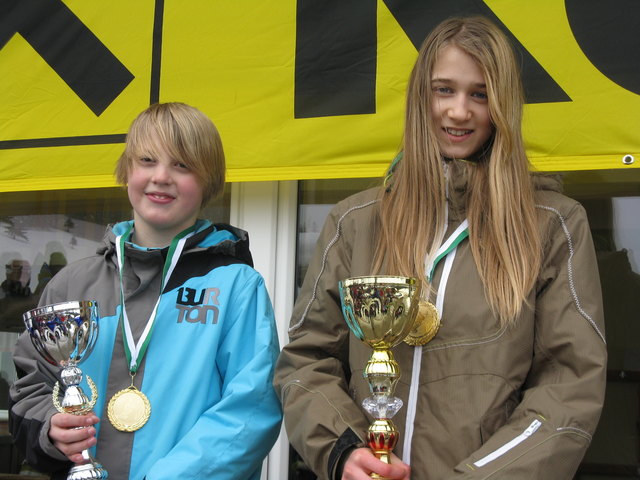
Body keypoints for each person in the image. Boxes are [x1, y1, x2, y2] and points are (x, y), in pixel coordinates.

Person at [274, 16, 606, 480]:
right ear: (419, 98)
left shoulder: (553, 224)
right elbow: (306, 361)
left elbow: (570, 386)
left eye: (480, 94)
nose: (458, 111)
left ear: (503, 106)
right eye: (443, 90)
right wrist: (345, 452)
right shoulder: (355, 221)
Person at [10, 102, 282, 480]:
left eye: (183, 165)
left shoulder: (236, 286)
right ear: (126, 172)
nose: (162, 177)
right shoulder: (72, 284)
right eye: (147, 160)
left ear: (210, 180)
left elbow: (250, 410)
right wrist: (50, 428)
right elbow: (30, 389)